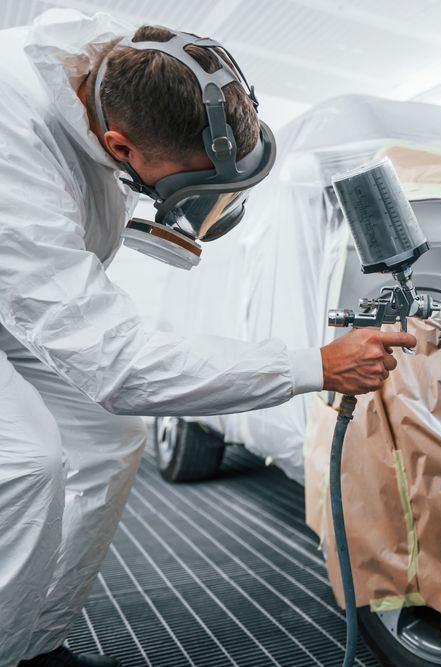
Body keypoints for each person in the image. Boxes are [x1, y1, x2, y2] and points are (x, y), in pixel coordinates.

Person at [0, 10, 415, 667]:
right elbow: (118, 365)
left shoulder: (128, 67)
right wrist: (315, 365)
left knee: (111, 438)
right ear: (118, 148)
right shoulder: (12, 144)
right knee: (28, 459)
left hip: (19, 282)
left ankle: (37, 640)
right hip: (14, 270)